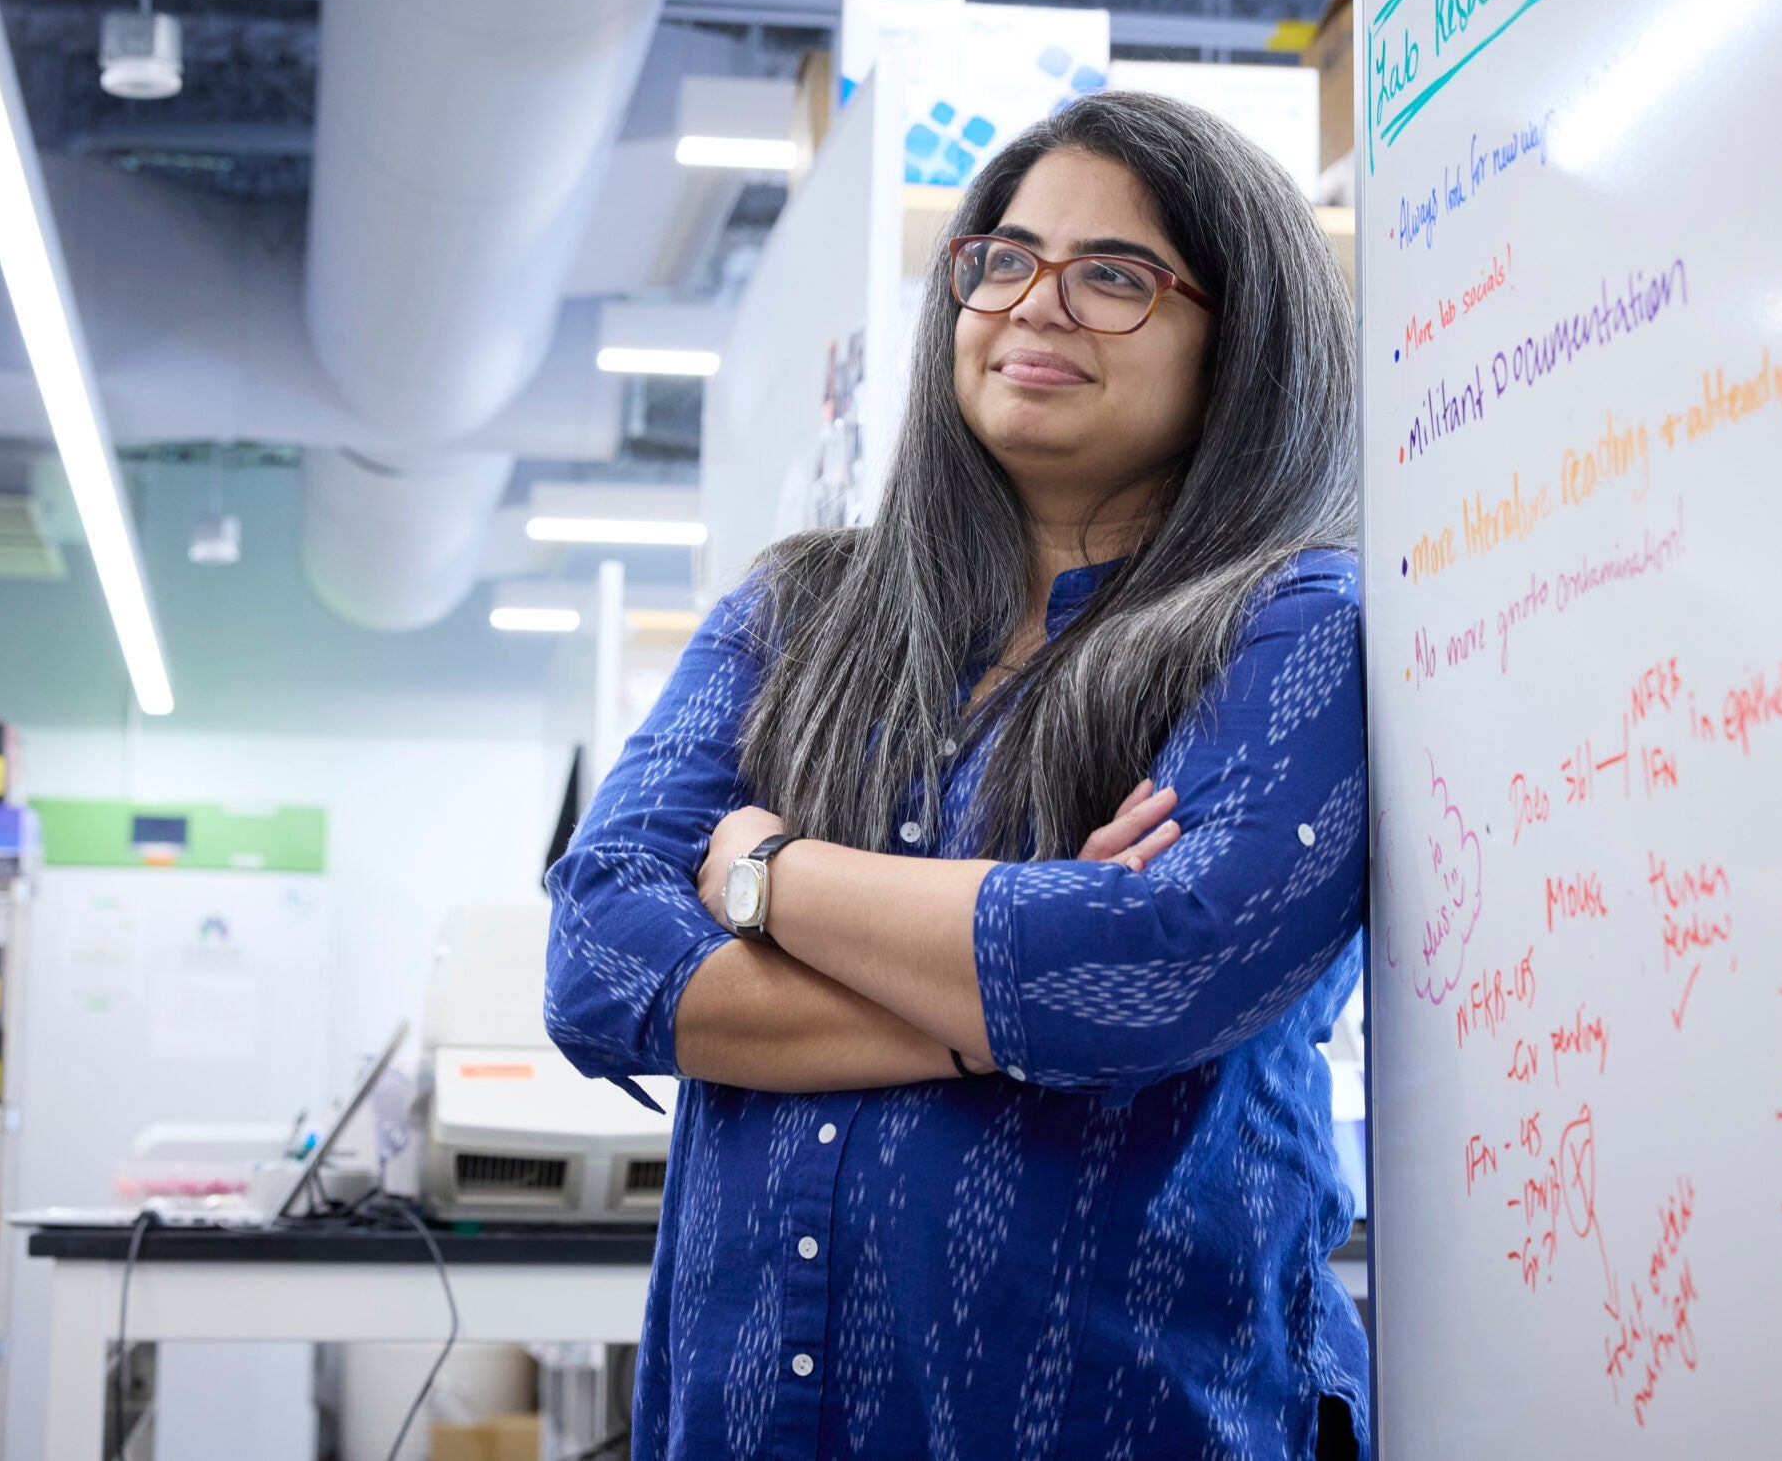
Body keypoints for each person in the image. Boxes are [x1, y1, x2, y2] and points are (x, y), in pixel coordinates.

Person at [545, 90, 1369, 1460]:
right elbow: (597, 953)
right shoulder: (799, 611)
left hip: (1125, 1415)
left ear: (1246, 338)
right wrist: (1000, 997)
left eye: (1115, 276)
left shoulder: (1292, 627)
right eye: (1003, 258)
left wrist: (765, 875)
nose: (1036, 305)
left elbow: (1153, 966)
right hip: (745, 1420)